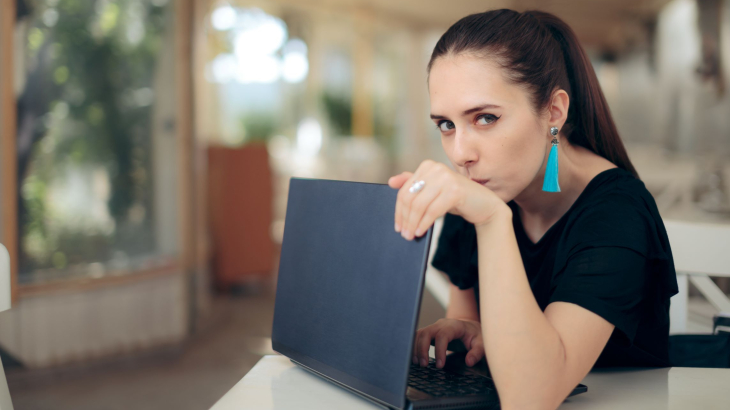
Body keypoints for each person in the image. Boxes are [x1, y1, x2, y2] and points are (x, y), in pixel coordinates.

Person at [387, 9, 679, 409]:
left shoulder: (617, 213)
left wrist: (491, 219)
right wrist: (469, 331)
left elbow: (530, 397)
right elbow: (474, 343)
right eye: (446, 125)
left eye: (485, 118)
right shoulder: (478, 190)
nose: (460, 153)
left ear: (554, 112)